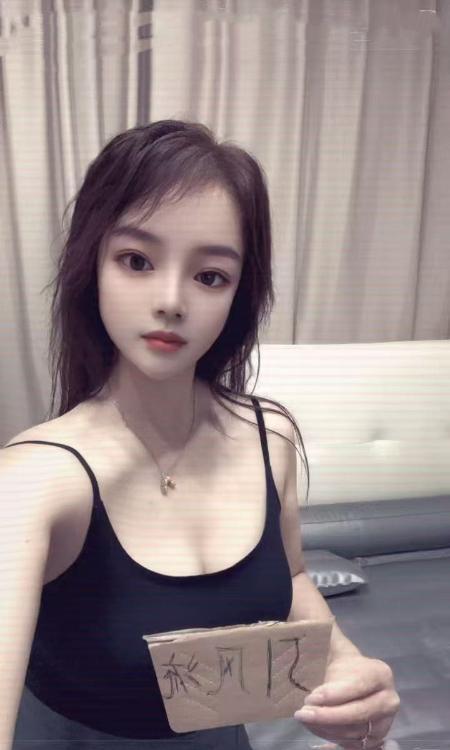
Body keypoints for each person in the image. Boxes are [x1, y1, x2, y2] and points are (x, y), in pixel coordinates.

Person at [0, 120, 399, 750]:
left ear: (239, 294)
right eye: (136, 261)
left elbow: (293, 579)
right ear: (91, 265)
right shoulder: (33, 479)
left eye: (210, 276)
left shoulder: (269, 437)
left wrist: (345, 663)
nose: (171, 300)